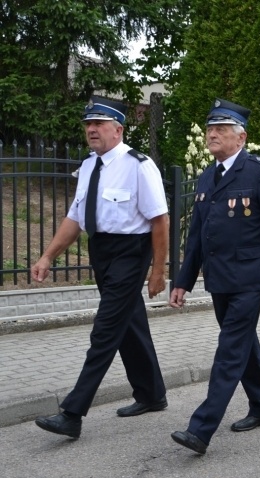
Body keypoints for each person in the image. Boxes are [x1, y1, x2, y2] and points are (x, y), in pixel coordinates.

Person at [168, 99, 260, 454]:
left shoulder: (259, 172)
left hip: (249, 278)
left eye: (221, 129)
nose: (212, 134)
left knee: (229, 349)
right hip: (218, 279)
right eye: (210, 129)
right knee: (243, 343)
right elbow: (196, 236)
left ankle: (201, 428)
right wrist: (182, 281)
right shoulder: (207, 176)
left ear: (240, 137)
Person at [31, 96, 169, 439]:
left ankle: (73, 413)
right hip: (102, 250)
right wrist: (48, 256)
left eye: (99, 124)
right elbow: (76, 217)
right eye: (88, 125)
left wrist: (157, 270)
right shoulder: (90, 166)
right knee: (129, 322)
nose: (91, 130)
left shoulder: (139, 165)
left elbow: (160, 220)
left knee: (105, 329)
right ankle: (152, 394)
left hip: (130, 251)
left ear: (118, 129)